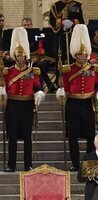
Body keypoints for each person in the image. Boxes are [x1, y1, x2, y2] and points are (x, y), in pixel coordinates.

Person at [56, 24, 98, 171]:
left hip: (88, 103)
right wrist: (61, 92)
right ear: (75, 54)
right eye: (79, 54)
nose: (82, 56)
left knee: (91, 135)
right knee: (73, 136)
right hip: (73, 103)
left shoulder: (93, 68)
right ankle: (75, 163)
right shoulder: (68, 69)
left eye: (84, 54)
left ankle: (89, 162)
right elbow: (64, 86)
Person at [0, 27, 45, 172]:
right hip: (12, 105)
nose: (20, 58)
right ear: (15, 56)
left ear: (25, 57)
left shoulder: (33, 71)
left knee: (27, 136)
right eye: (18, 56)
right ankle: (11, 165)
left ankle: (28, 165)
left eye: (22, 56)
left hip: (27, 105)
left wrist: (39, 94)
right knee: (12, 137)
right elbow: (4, 86)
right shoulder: (8, 71)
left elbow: (37, 86)